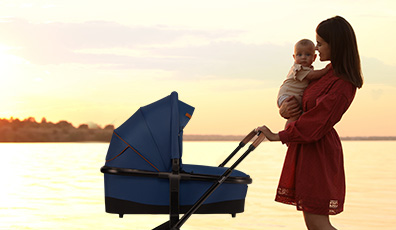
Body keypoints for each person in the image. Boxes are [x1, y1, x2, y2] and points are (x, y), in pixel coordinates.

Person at [257, 16, 363, 230]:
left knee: (318, 224)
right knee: (313, 224)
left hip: (318, 153)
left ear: (337, 44)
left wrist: (278, 136)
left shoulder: (342, 83)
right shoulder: (325, 74)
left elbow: (317, 122)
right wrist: (285, 109)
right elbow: (299, 98)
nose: (316, 48)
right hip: (306, 148)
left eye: (321, 43)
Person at [277, 39, 330, 127]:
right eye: (299, 54)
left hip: (293, 96)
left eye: (308, 54)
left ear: (314, 57)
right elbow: (312, 76)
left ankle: (293, 131)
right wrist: (326, 70)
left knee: (300, 115)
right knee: (294, 114)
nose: (303, 57)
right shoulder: (298, 68)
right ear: (294, 57)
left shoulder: (307, 69)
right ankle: (288, 131)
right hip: (287, 95)